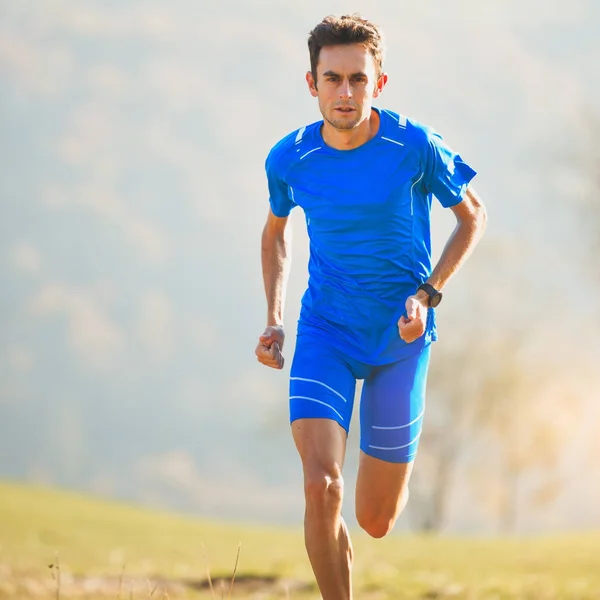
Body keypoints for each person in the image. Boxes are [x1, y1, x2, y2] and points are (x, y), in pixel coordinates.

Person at [255, 14, 487, 600]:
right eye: (332, 79)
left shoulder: (413, 146)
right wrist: (275, 319)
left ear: (379, 82)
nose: (345, 92)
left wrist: (428, 293)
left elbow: (471, 217)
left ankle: (374, 503)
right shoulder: (290, 158)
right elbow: (275, 234)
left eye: (358, 79)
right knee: (320, 485)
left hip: (399, 340)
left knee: (375, 519)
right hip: (325, 334)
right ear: (311, 84)